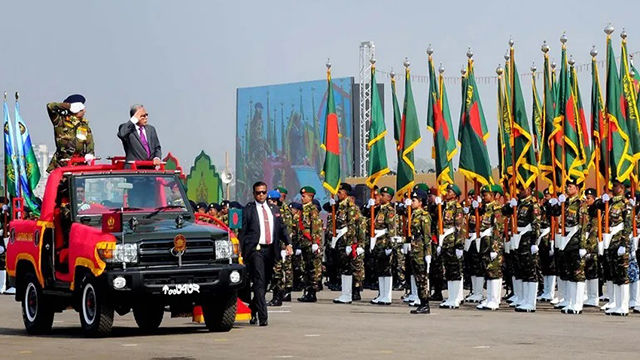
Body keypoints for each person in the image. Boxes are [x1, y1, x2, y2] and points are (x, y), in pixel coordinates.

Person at [239, 182, 292, 326]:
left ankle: (253, 308)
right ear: (253, 194)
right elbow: (243, 233)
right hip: (255, 250)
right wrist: (241, 252)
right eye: (258, 193)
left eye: (263, 192)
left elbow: (282, 228)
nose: (261, 195)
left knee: (266, 282)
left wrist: (288, 243)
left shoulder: (274, 209)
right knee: (259, 280)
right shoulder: (248, 210)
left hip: (271, 250)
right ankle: (263, 317)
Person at [46, 94, 95, 172]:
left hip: (79, 164)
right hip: (62, 163)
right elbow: (50, 106)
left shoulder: (83, 125)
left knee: (78, 184)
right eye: (81, 109)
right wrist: (68, 106)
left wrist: (90, 153)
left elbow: (89, 141)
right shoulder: (60, 121)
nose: (84, 111)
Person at [475, 185, 505, 311]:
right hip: (485, 243)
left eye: (486, 194)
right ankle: (489, 298)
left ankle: (495, 299)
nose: (483, 196)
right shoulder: (487, 209)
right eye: (483, 194)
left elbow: (498, 229)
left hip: (493, 244)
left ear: (493, 195)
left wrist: (495, 248)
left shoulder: (496, 209)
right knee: (488, 271)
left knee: (495, 272)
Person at [331, 183, 361, 304]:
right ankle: (344, 293)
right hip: (341, 240)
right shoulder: (340, 206)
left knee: (347, 268)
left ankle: (347, 294)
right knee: (342, 267)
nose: (338, 194)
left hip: (346, 240)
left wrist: (350, 243)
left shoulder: (351, 207)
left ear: (346, 193)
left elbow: (352, 226)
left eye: (340, 192)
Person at [438, 184, 465, 309]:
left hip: (453, 242)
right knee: (448, 271)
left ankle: (455, 298)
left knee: (454, 271)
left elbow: (460, 228)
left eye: (449, 191)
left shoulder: (457, 208)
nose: (446, 193)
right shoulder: (444, 208)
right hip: (446, 242)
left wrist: (459, 245)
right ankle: (451, 297)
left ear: (455, 195)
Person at [370, 186, 398, 305]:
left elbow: (391, 230)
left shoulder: (389, 211)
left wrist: (390, 246)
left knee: (387, 269)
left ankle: (387, 295)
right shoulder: (379, 210)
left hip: (385, 242)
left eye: (383, 195)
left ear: (389, 198)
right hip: (378, 242)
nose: (380, 197)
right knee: (380, 269)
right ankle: (381, 294)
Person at [296, 186, 323, 303]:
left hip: (310, 242)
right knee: (305, 268)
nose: (302, 198)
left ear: (310, 197)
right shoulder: (303, 210)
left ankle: (312, 292)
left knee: (313, 268)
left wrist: (315, 242)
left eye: (304, 196)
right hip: (304, 243)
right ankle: (307, 291)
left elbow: (315, 227)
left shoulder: (313, 209)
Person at [408, 189, 432, 314]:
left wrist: (428, 253)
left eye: (414, 200)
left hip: (421, 250)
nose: (411, 203)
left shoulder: (424, 216)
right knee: (417, 277)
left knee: (422, 278)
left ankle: (425, 303)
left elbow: (427, 236)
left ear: (421, 202)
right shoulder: (414, 215)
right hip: (415, 249)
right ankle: (421, 301)